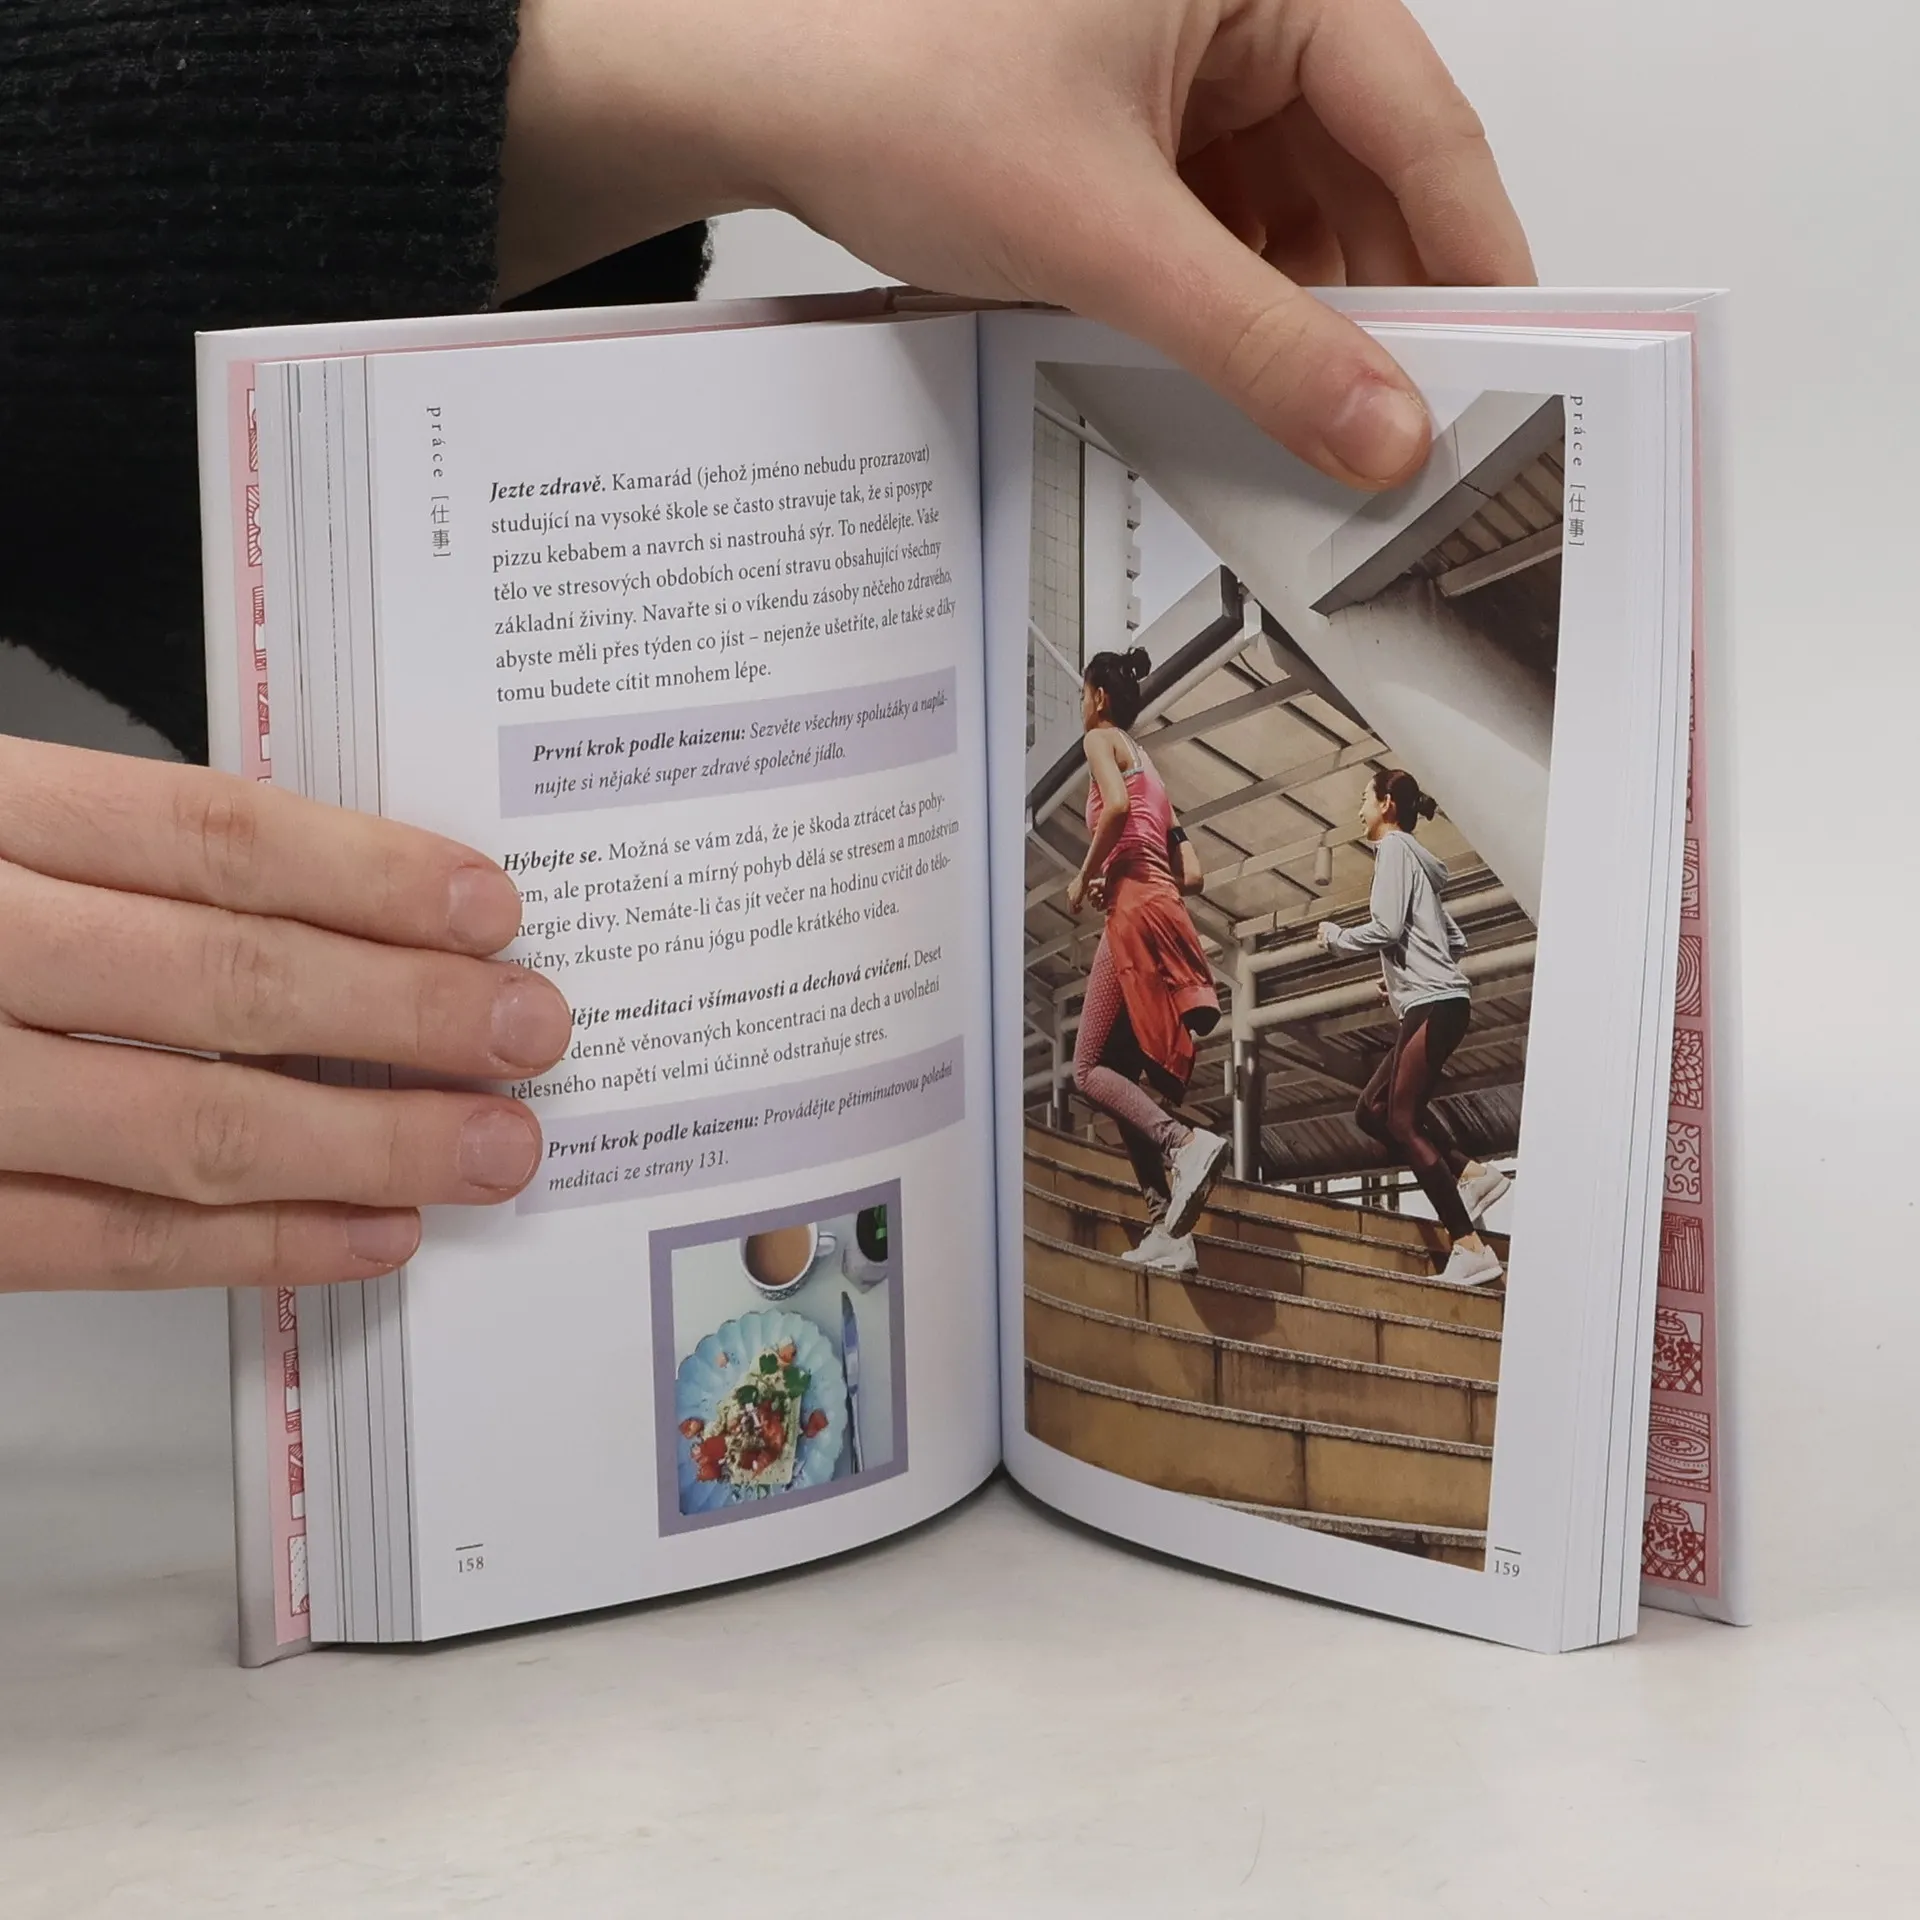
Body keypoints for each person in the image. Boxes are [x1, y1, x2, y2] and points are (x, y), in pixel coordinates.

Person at [0, 0, 1533, 1293]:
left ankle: (1250, 1177)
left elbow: (1152, 844)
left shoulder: (1129, 751)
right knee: (1137, 1072)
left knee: (1108, 1072)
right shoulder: (1160, 775)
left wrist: (722, 74)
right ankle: (1293, 1187)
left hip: (1146, 919)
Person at [1064, 649, 1227, 1271]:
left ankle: (1182, 1143)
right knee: (1120, 1077)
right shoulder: (1151, 768)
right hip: (1165, 912)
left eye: (1083, 695)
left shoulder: (1099, 740)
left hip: (1133, 914)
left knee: (1085, 1070)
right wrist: (1121, 869)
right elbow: (1194, 873)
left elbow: (1114, 808)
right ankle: (1168, 1230)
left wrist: (1086, 877)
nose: (1082, 706)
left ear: (1099, 698)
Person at [1317, 768, 1508, 1286]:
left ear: (1387, 806)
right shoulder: (1416, 862)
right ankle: (1470, 1172)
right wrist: (1403, 975)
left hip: (1434, 1003)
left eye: (1364, 798)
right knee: (1371, 1111)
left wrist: (1336, 939)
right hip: (1436, 1000)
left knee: (1400, 1120)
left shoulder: (1394, 851)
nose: (1359, 809)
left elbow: (1386, 928)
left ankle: (1469, 1246)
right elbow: (1454, 941)